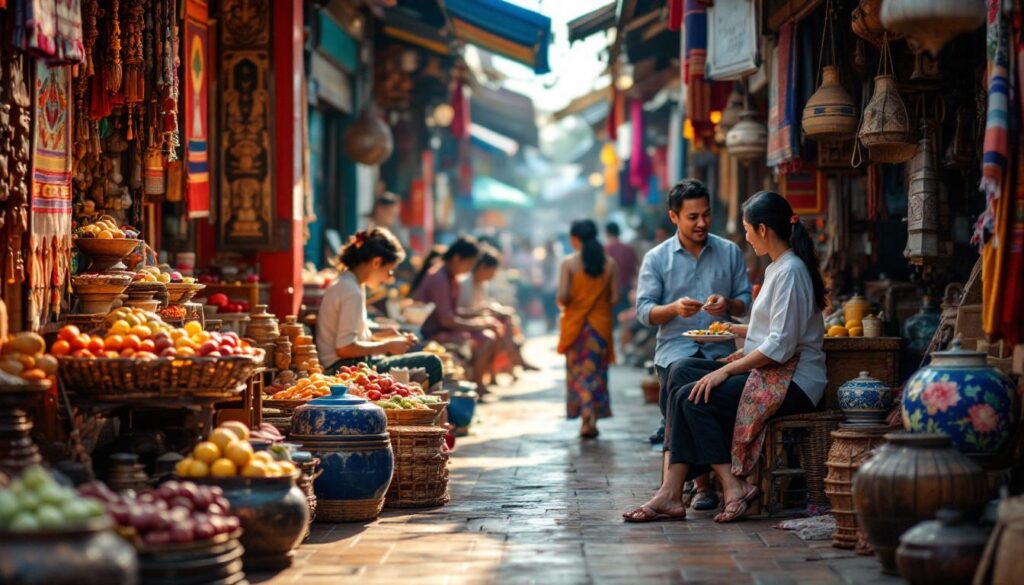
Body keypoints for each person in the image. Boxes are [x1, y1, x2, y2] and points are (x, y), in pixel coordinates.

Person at [623, 191, 827, 523]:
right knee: (681, 371)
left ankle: (727, 486)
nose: (746, 237)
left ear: (762, 230)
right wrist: (735, 331)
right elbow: (773, 331)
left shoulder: (790, 271)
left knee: (689, 398)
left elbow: (780, 345)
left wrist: (726, 372)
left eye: (747, 229)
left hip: (795, 381)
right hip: (774, 370)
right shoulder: (778, 268)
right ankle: (673, 491)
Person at [635, 179, 752, 511]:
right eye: (692, 217)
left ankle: (677, 488)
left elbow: (745, 302)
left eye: (706, 214)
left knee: (689, 392)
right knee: (679, 376)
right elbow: (644, 311)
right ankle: (703, 485)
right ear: (674, 216)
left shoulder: (729, 251)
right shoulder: (657, 258)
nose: (702, 223)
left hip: (722, 351)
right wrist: (673, 309)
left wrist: (728, 303)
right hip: (675, 348)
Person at [315, 228, 444, 389]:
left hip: (353, 363)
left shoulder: (351, 284)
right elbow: (345, 348)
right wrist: (387, 346)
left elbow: (353, 336)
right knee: (432, 363)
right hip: (343, 368)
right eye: (389, 270)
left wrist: (383, 334)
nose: (389, 278)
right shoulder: (351, 291)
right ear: (376, 262)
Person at [412, 236, 502, 390]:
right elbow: (446, 320)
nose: (469, 269)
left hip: (445, 328)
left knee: (489, 335)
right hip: (431, 332)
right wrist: (479, 325)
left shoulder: (450, 277)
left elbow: (453, 312)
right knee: (485, 338)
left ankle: (477, 383)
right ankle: (476, 385)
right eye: (468, 264)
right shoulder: (439, 278)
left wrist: (478, 316)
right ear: (456, 258)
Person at [557, 220, 620, 438]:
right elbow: (614, 298)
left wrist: (578, 302)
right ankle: (592, 417)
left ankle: (585, 417)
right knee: (596, 373)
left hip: (576, 328)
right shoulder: (609, 264)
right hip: (599, 326)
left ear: (575, 239)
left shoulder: (569, 263)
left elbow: (562, 297)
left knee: (579, 374)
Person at [459, 246, 538, 373]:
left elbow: (483, 305)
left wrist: (493, 310)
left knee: (506, 321)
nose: (493, 275)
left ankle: (511, 360)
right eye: (492, 271)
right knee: (497, 331)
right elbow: (463, 312)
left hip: (476, 320)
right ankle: (513, 358)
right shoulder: (465, 283)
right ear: (482, 268)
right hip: (466, 324)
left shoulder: (481, 284)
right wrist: (485, 313)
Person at [604, 221, 640, 320]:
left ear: (607, 233)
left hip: (610, 293)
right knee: (626, 320)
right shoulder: (629, 249)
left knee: (614, 321)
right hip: (627, 290)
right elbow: (636, 270)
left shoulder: (605, 250)